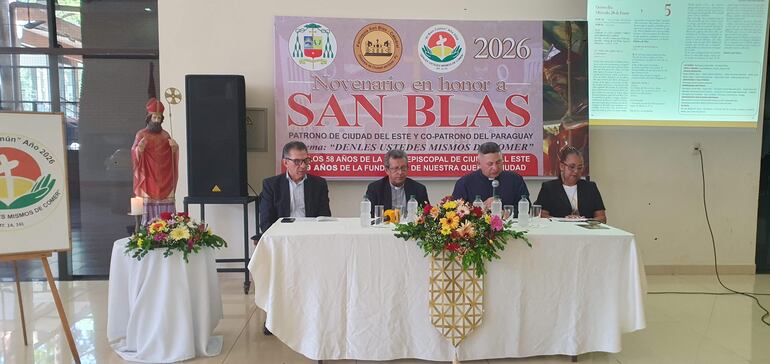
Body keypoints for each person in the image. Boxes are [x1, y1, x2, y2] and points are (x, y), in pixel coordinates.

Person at [259, 141, 331, 232]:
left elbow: (324, 217)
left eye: (306, 161)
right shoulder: (271, 185)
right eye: (297, 161)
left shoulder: (319, 184)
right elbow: (266, 220)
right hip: (282, 234)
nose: (303, 166)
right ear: (285, 163)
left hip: (310, 232)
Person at [131, 97, 178, 223]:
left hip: (164, 175)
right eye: (154, 117)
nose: (157, 120)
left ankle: (168, 228)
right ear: (149, 118)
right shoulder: (141, 134)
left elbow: (172, 154)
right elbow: (134, 152)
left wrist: (174, 148)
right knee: (148, 205)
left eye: (159, 118)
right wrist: (139, 150)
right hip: (148, 175)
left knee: (166, 205)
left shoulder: (165, 135)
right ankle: (149, 228)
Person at [452, 142, 529, 216]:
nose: (495, 168)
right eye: (490, 164)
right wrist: (481, 209)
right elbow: (456, 212)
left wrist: (506, 212)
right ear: (478, 163)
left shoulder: (515, 179)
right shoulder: (464, 183)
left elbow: (527, 207)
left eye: (498, 162)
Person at [534, 145, 606, 222]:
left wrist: (584, 221)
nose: (576, 171)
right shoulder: (549, 188)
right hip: (559, 231)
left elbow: (602, 218)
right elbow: (541, 215)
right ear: (562, 166)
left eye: (579, 168)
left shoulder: (590, 187)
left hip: (585, 231)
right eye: (572, 167)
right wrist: (564, 220)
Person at [365, 150, 429, 216]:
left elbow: (426, 215)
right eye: (395, 168)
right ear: (387, 170)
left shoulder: (419, 189)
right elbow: (370, 216)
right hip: (384, 225)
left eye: (403, 168)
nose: (400, 172)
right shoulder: (375, 189)